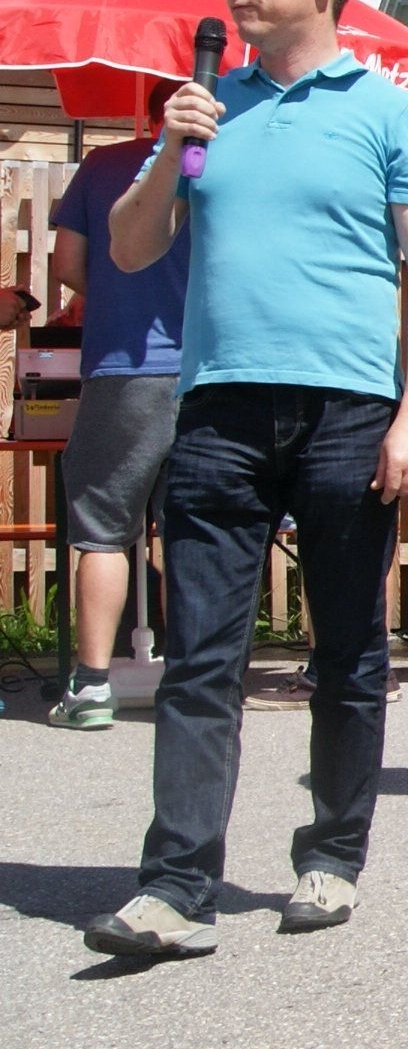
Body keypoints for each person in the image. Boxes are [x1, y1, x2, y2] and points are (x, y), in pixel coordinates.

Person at [82, 0, 408, 960]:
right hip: (219, 411)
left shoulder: (387, 112)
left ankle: (332, 858)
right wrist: (171, 146)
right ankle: (174, 888)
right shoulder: (209, 108)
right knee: (201, 658)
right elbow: (130, 247)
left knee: (348, 653)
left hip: (349, 413)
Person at [46, 79, 187, 730]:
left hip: (125, 368)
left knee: (103, 530)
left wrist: (112, 291)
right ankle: (196, 681)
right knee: (195, 533)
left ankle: (93, 687)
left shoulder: (103, 164)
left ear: (148, 115)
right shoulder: (212, 166)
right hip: (207, 370)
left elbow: (68, 265)